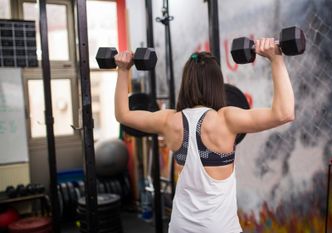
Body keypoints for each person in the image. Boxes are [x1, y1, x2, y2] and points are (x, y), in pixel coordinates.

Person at [114, 38, 295, 233]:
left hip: (180, 226)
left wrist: (123, 70)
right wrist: (276, 59)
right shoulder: (226, 119)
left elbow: (123, 115)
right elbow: (284, 113)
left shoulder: (168, 120)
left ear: (186, 82)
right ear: (217, 84)